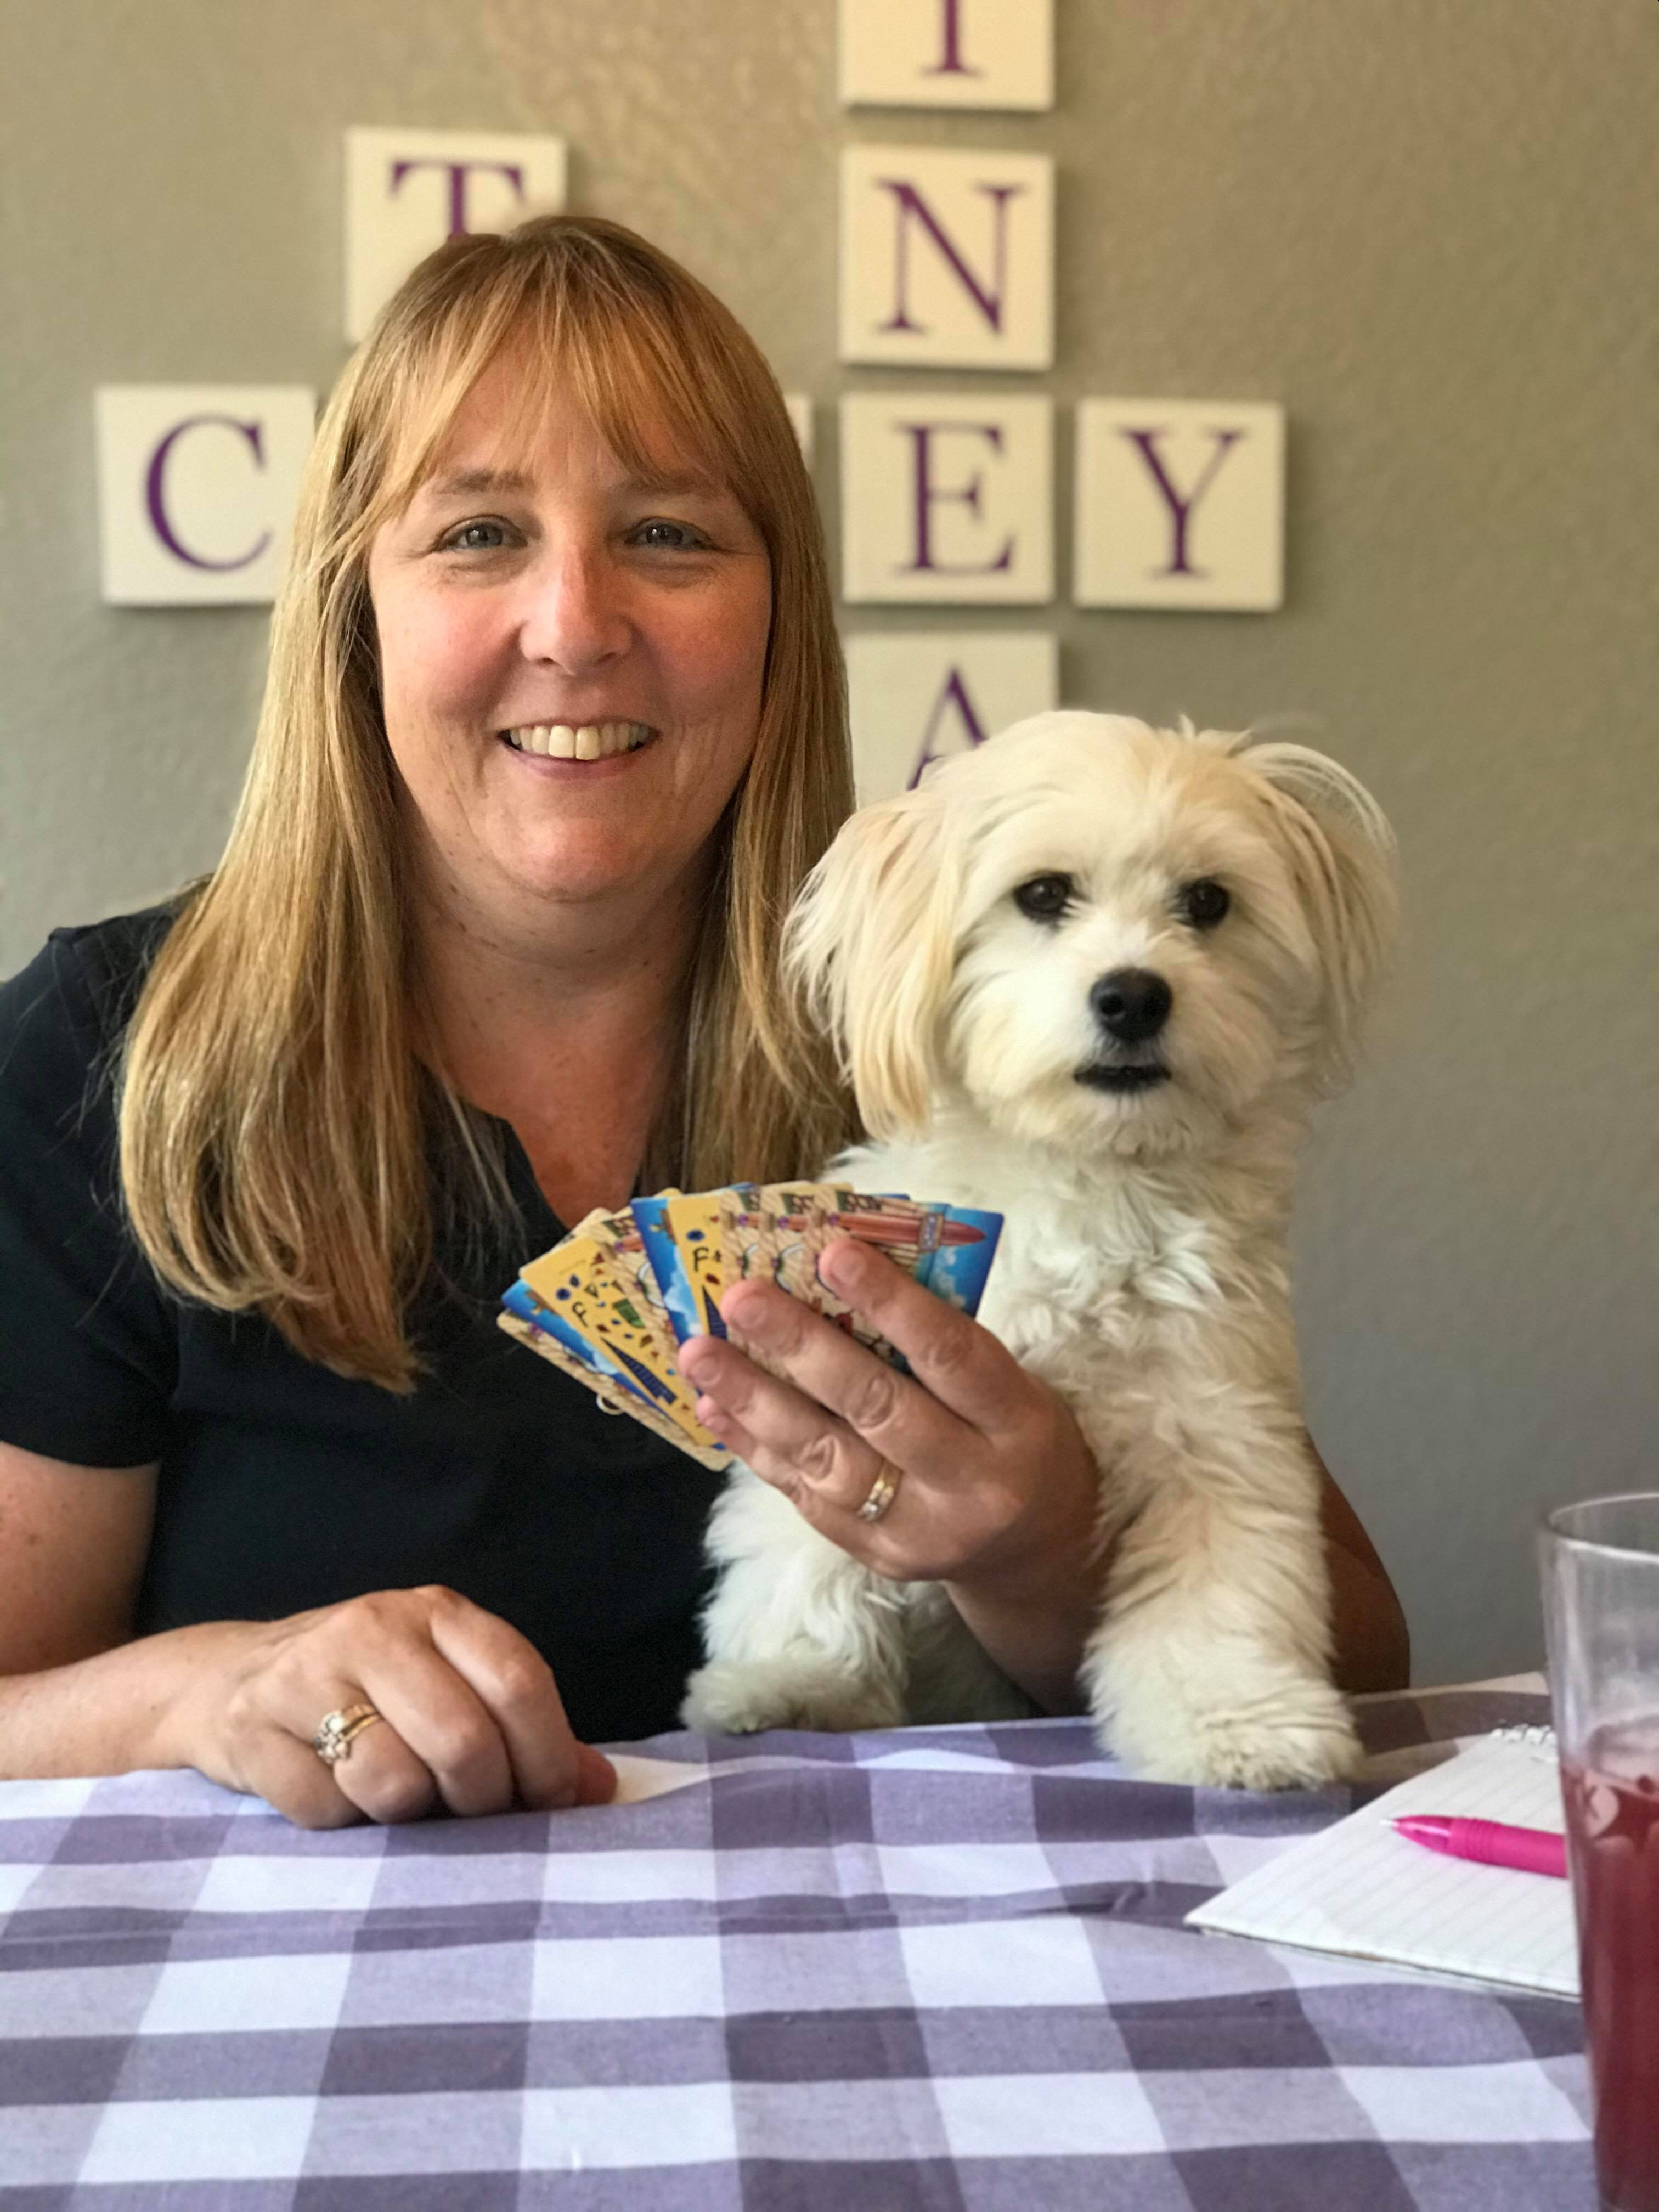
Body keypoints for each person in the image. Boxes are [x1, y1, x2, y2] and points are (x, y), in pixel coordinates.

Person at [0, 216, 1408, 1830]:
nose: (575, 622)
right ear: (352, 615)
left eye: (667, 533)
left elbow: (1352, 1674)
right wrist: (208, 1689)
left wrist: (1040, 1553)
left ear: (778, 617)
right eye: (477, 534)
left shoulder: (959, 1024)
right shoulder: (110, 1065)